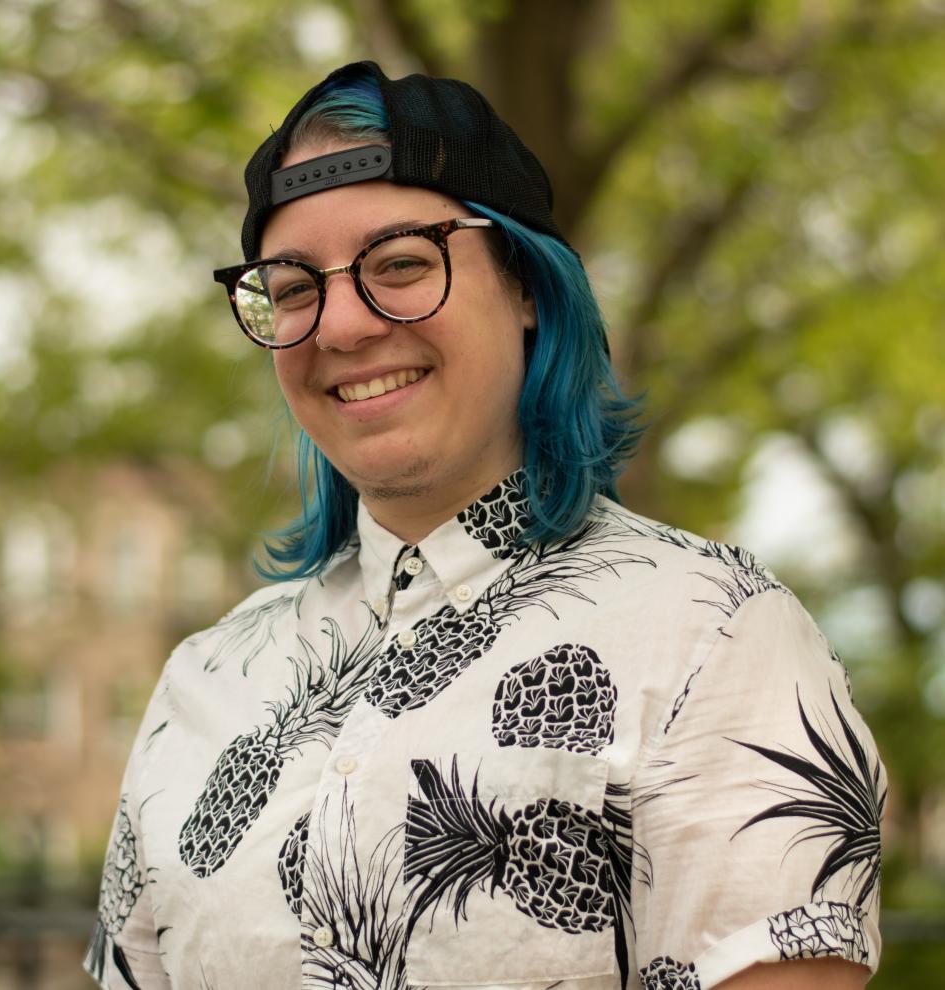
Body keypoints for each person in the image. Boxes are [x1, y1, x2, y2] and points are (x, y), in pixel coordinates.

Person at [85, 61, 884, 990]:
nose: (340, 326)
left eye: (401, 264)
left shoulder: (715, 638)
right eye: (294, 287)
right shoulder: (206, 679)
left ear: (529, 289)